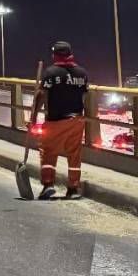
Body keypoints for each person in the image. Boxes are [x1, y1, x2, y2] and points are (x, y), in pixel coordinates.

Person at [34, 41, 89, 200]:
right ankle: (73, 188)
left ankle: (48, 184)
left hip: (55, 120)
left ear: (55, 55)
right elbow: (84, 95)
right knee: (74, 154)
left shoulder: (50, 72)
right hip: (77, 119)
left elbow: (41, 95)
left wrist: (33, 117)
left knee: (48, 152)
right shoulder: (82, 73)